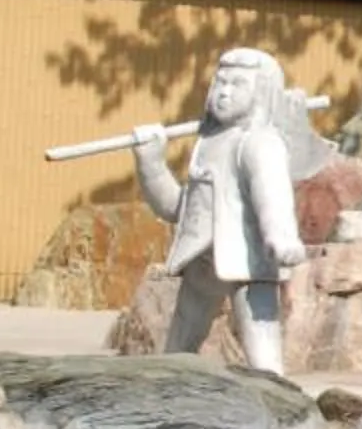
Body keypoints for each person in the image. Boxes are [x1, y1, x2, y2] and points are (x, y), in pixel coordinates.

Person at [131, 47, 306, 373]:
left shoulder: (260, 143)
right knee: (179, 347)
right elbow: (177, 208)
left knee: (262, 350)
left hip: (248, 261)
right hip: (202, 257)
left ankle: (278, 401)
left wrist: (280, 236)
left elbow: (273, 197)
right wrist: (151, 164)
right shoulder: (206, 144)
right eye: (219, 82)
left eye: (237, 84)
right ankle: (168, 394)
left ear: (261, 92)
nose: (223, 93)